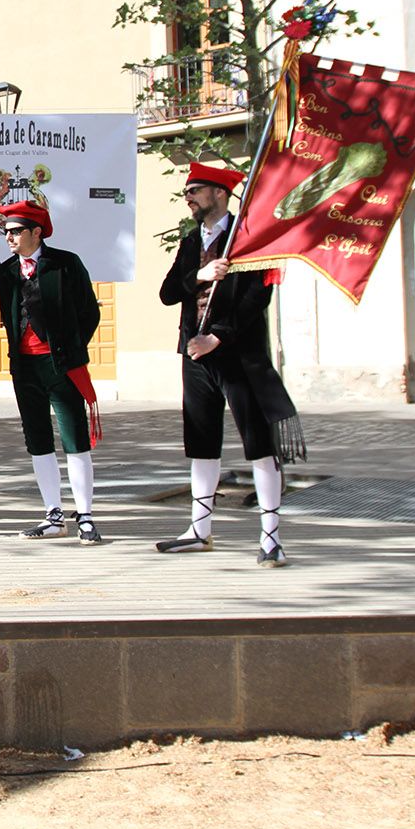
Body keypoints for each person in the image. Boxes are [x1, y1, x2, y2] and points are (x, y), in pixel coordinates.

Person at [157, 163, 304, 567]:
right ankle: (199, 530)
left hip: (239, 356)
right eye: (187, 191)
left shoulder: (251, 238)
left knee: (258, 442)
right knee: (201, 442)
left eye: (196, 190)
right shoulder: (191, 243)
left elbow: (257, 298)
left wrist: (216, 336)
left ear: (219, 194)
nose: (188, 197)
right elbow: (168, 292)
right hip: (195, 356)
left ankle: (271, 536)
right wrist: (199, 275)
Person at [0, 201, 104, 544]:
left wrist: (68, 350)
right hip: (24, 367)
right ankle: (53, 515)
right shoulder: (6, 271)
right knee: (37, 439)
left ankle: (84, 515)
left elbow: (89, 313)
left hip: (61, 364)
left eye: (15, 231)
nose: (9, 236)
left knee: (74, 438)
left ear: (36, 232)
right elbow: (11, 319)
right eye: (6, 231)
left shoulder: (65, 264)